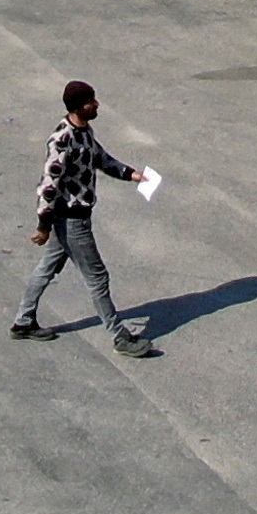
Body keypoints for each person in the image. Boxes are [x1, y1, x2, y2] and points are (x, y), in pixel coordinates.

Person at [12, 80, 157, 357]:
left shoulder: (84, 132)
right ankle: (119, 337)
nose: (97, 104)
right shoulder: (62, 139)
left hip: (72, 218)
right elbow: (48, 186)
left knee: (47, 268)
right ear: (79, 106)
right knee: (97, 277)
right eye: (92, 101)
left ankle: (23, 322)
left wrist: (134, 175)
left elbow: (101, 159)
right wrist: (43, 226)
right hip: (71, 220)